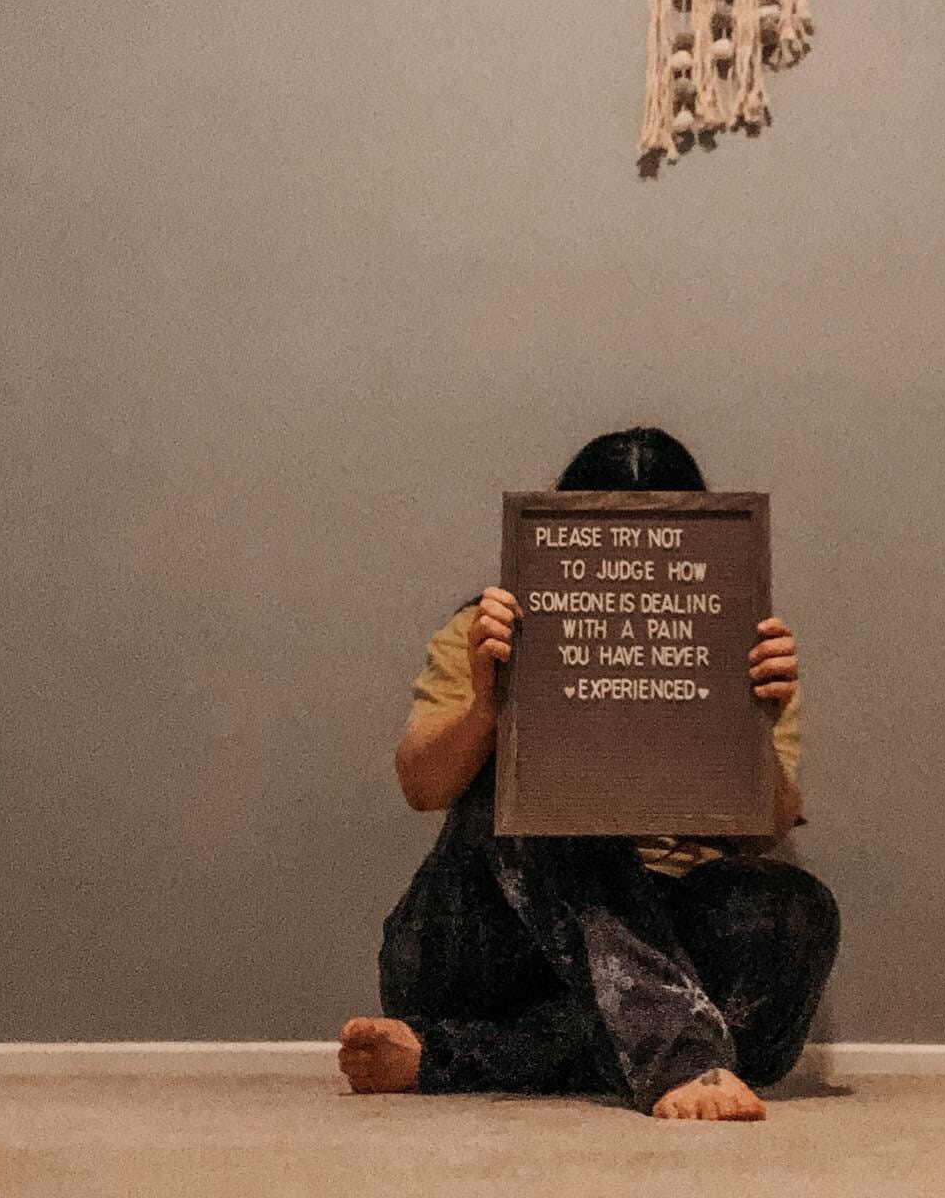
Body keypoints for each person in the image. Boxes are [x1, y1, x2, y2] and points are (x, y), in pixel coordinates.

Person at [338, 428, 839, 1121]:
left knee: (796, 911)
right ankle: (680, 1052)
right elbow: (423, 786)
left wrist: (751, 722)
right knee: (531, 784)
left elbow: (766, 827)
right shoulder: (485, 630)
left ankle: (448, 1058)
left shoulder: (740, 643)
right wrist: (492, 704)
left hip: (665, 930)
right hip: (491, 941)